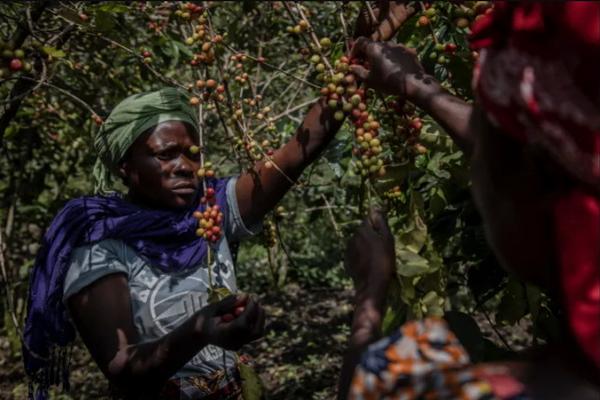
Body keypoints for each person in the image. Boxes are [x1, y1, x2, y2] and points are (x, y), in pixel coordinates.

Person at [22, 3, 417, 399]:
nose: (184, 166)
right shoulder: (99, 244)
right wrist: (200, 332)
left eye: (192, 153)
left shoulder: (212, 208)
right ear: (126, 167)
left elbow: (301, 149)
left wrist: (362, 49)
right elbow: (125, 370)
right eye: (165, 155)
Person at [339, 2, 600, 399]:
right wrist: (418, 87)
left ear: (533, 183)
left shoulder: (426, 385)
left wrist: (369, 298)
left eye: (479, 154)